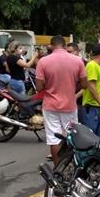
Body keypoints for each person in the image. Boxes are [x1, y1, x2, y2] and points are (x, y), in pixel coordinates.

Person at [36, 36, 87, 164]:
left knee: (54, 139)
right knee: (71, 137)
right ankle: (71, 165)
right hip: (69, 105)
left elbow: (39, 88)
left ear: (51, 46)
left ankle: (58, 169)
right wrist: (73, 83)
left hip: (50, 105)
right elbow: (84, 85)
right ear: (64, 46)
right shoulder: (78, 61)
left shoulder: (43, 61)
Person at [82, 44, 100, 137]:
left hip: (99, 108)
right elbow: (91, 87)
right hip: (93, 108)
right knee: (90, 139)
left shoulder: (97, 66)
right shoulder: (92, 65)